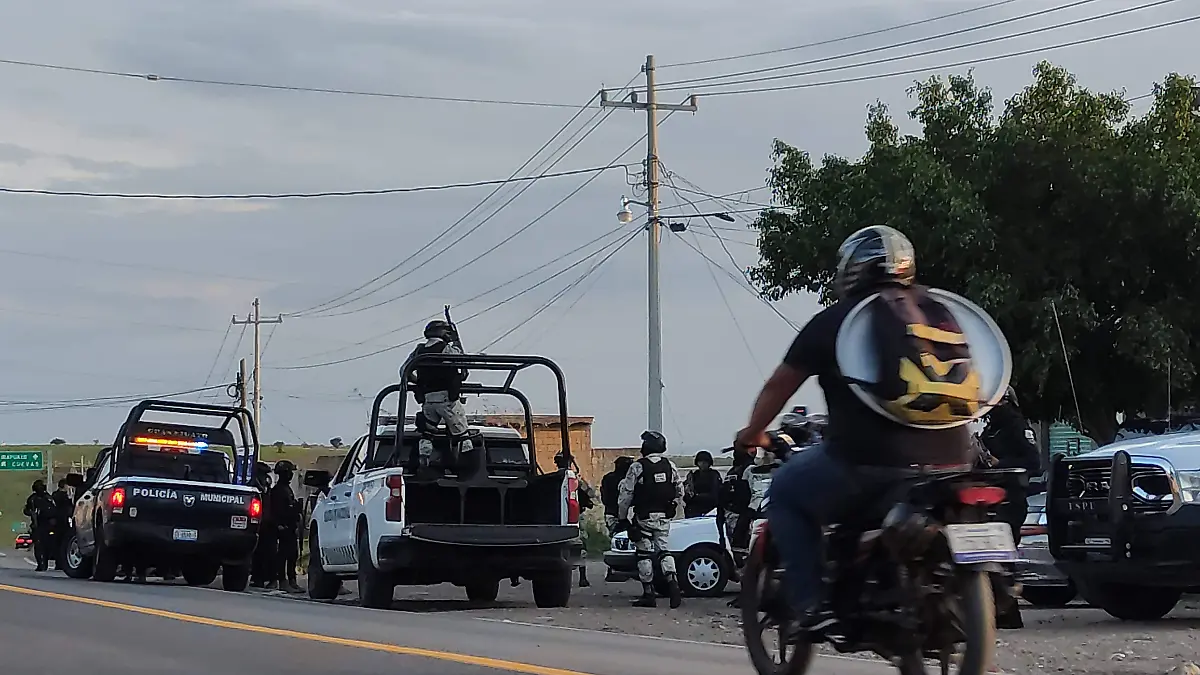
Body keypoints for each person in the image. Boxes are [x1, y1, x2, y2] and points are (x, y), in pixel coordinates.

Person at [736, 225, 976, 631]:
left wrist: (752, 432)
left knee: (787, 491)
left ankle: (809, 603)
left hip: (870, 462)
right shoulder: (943, 312)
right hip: (955, 457)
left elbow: (779, 386)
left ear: (852, 271)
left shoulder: (837, 320)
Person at [979, 386, 1040, 629]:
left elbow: (1032, 461)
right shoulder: (992, 427)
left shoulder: (1016, 425)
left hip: (1011, 497)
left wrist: (999, 463)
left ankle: (1010, 615)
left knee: (1004, 555)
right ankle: (992, 612)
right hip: (990, 496)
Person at [617, 431, 683, 609]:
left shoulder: (638, 467)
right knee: (664, 550)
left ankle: (648, 593)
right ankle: (673, 582)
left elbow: (626, 494)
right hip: (664, 517)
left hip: (644, 517)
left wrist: (622, 518)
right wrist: (674, 505)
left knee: (644, 553)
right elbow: (680, 489)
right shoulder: (670, 465)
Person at [406, 320, 471, 474]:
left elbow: (404, 371)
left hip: (428, 400)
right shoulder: (446, 349)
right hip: (447, 400)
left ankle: (423, 463)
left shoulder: (419, 350)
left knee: (427, 433)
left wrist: (420, 383)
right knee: (462, 435)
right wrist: (457, 343)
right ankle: (468, 466)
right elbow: (462, 361)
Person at [555, 452, 596, 588]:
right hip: (576, 516)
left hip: (560, 517)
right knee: (580, 546)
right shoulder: (572, 479)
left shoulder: (555, 478)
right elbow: (591, 494)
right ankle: (582, 577)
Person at [271, 460, 303, 593]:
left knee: (292, 555)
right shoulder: (278, 490)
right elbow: (276, 511)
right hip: (283, 528)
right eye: (289, 472)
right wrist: (280, 525)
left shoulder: (287, 489)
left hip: (290, 527)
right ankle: (282, 581)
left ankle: (292, 580)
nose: (291, 475)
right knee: (283, 556)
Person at [250, 461, 276, 588]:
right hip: (259, 525)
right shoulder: (253, 486)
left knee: (267, 553)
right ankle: (258, 577)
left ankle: (263, 577)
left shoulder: (266, 488)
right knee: (259, 553)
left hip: (267, 525)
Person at [23, 480, 59, 572]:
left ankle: (45, 563)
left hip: (48, 525)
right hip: (38, 525)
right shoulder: (33, 499)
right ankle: (41, 564)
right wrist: (32, 513)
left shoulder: (48, 498)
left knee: (48, 545)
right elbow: (26, 510)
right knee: (39, 545)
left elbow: (55, 510)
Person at [601, 456, 634, 537]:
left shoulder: (608, 478)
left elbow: (604, 497)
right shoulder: (629, 480)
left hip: (611, 513)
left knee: (616, 538)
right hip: (627, 514)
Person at [683, 451, 721, 518]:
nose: (702, 464)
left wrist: (696, 496)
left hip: (709, 510)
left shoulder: (714, 475)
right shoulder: (694, 475)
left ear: (709, 463)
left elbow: (715, 495)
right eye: (700, 462)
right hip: (693, 510)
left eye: (705, 462)